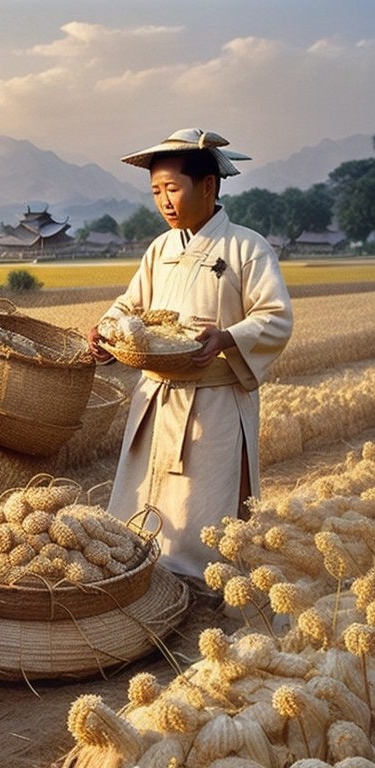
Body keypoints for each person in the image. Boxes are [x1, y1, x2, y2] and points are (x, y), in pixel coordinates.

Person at [88, 128, 293, 579]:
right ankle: (141, 575)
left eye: (172, 189)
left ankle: (205, 584)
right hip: (158, 397)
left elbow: (276, 316)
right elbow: (130, 306)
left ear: (208, 186)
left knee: (204, 506)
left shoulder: (246, 247)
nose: (163, 201)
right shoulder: (159, 249)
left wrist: (226, 337)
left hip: (214, 403)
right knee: (145, 499)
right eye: (156, 191)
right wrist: (106, 330)